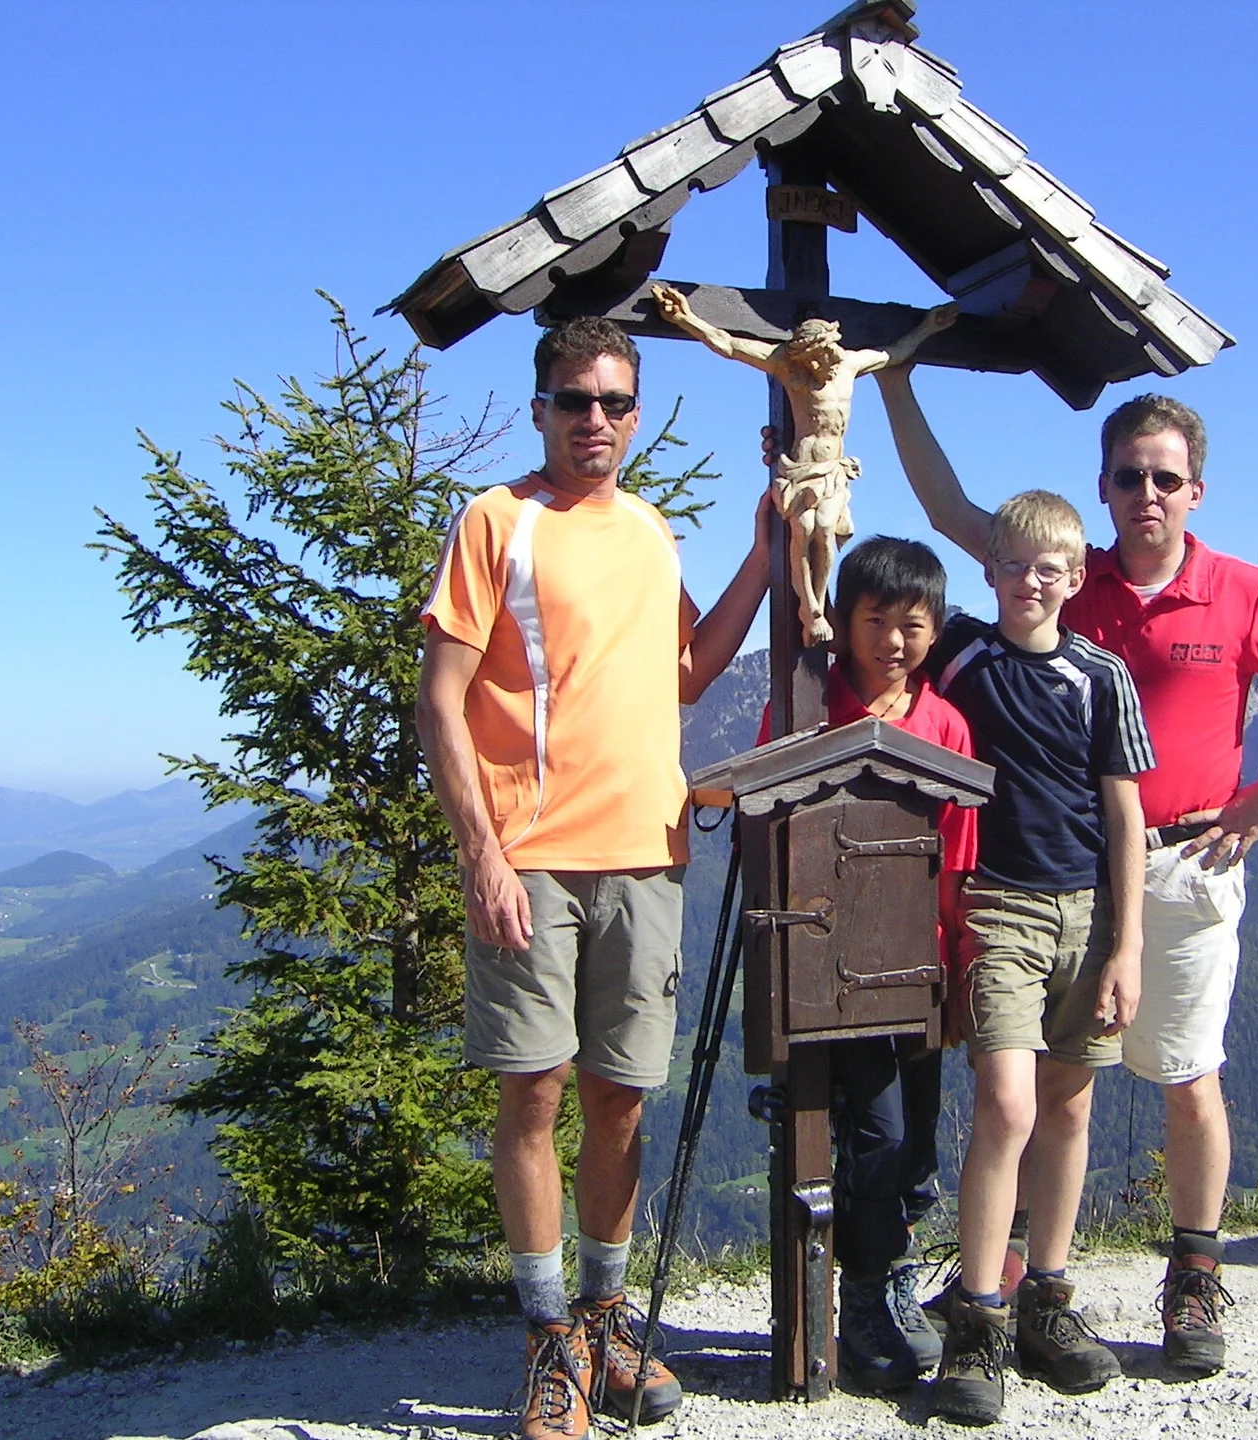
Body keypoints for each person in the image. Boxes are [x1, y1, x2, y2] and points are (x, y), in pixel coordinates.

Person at [875, 372, 1258, 1378]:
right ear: (1102, 488)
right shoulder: (1063, 574)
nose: (1147, 492)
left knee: (1186, 1077)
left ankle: (1192, 1275)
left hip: (1188, 860)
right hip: (1054, 873)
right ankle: (1014, 1276)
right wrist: (893, 382)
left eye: (1167, 476)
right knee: (1051, 1089)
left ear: (1197, 489)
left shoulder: (1245, 592)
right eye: (1129, 476)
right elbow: (945, 511)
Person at [416, 316, 768, 1440]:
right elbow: (440, 694)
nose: (598, 423)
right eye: (577, 402)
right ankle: (545, 1340)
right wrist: (481, 854)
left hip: (647, 852)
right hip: (533, 853)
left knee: (620, 1098)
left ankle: (607, 1322)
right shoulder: (497, 521)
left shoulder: (650, 529)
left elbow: (686, 671)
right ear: (540, 409)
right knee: (535, 1093)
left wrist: (765, 549)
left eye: (618, 404)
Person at [920, 489, 1153, 1425]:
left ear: (1076, 577)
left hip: (1088, 915)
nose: (1029, 582)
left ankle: (1048, 1301)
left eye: (1049, 568)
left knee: (1067, 1105)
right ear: (990, 571)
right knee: (1006, 1102)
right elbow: (880, 659)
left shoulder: (1102, 676)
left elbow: (1125, 815)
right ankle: (978, 1319)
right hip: (1000, 907)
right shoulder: (963, 656)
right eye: (1013, 565)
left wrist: (1126, 946)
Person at [753, 536, 978, 1391]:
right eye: (874, 620)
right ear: (842, 622)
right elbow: (771, 817)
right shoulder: (809, 702)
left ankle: (890, 1280)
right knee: (877, 1132)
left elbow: (958, 855)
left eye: (911, 624)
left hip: (914, 967)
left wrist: (955, 975)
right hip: (829, 965)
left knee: (913, 1138)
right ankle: (868, 1302)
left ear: (934, 629)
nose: (891, 639)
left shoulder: (944, 722)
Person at [653, 283, 955, 643]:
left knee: (825, 530)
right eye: (805, 360)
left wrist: (928, 327)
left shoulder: (851, 365)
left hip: (832, 473)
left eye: (816, 358)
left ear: (828, 348)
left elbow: (894, 352)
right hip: (799, 471)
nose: (811, 366)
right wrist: (686, 318)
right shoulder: (790, 368)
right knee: (803, 530)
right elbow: (730, 344)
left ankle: (818, 604)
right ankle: (809, 607)